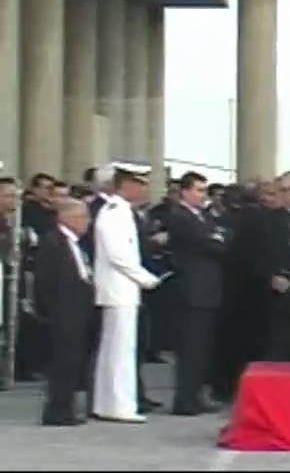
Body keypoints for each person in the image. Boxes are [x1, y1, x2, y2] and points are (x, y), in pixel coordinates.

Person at [91, 162, 162, 424]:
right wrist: (145, 278)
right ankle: (119, 404)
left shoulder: (121, 211)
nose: (144, 190)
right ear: (127, 184)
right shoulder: (114, 212)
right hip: (119, 288)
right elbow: (118, 254)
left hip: (122, 289)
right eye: (140, 183)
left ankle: (108, 401)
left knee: (115, 348)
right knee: (120, 349)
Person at [166, 172, 225, 415]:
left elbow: (221, 238)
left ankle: (196, 394)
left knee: (201, 347)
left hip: (206, 289)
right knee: (190, 347)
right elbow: (209, 243)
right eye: (199, 190)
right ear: (185, 191)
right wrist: (216, 239)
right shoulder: (181, 217)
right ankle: (185, 399)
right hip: (192, 290)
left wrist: (217, 238)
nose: (202, 195)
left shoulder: (202, 216)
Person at [36, 199, 95, 426]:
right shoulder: (53, 242)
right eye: (83, 217)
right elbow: (46, 281)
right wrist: (54, 309)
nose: (87, 222)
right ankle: (57, 410)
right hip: (64, 312)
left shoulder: (76, 243)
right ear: (67, 217)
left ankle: (66, 406)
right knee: (63, 362)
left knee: (73, 361)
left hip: (79, 310)